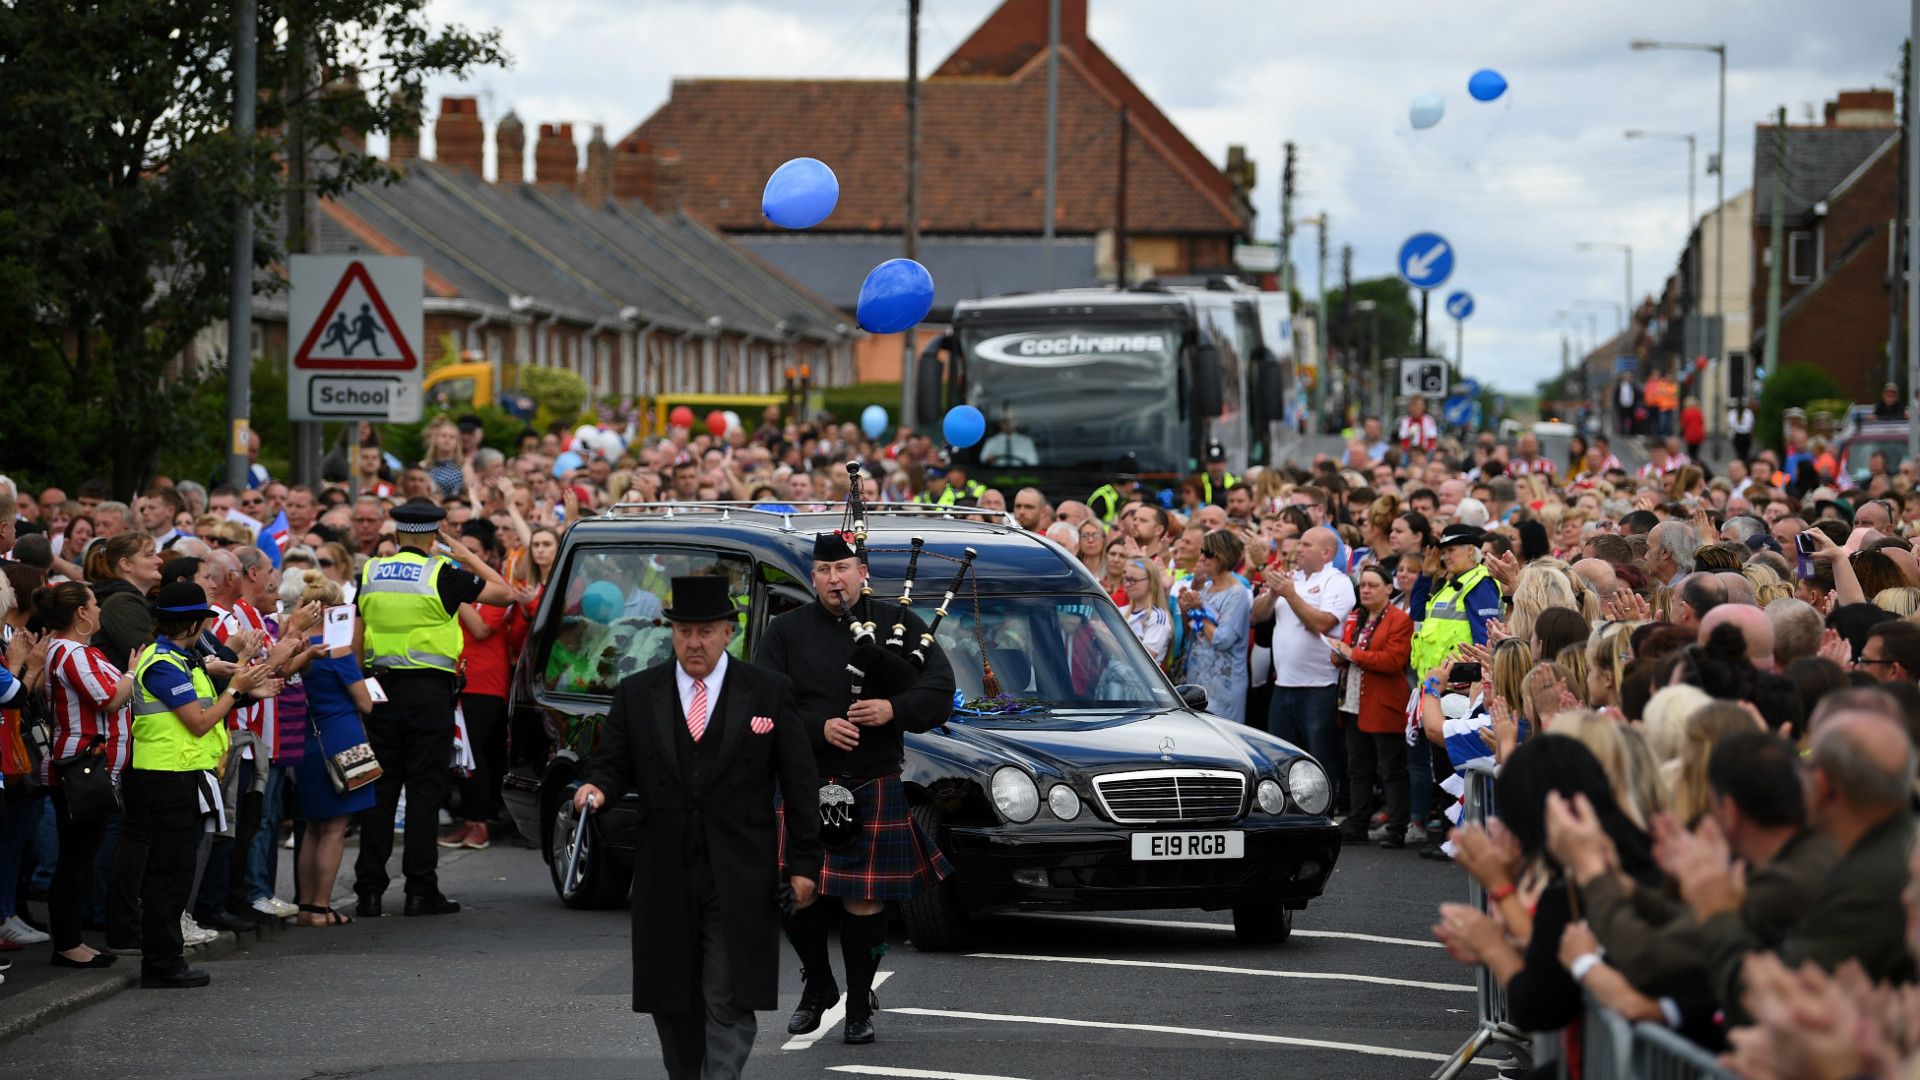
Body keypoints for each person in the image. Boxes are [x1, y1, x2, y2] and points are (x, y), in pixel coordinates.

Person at [574, 576, 822, 1080]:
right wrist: (595, 789)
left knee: (728, 995)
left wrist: (803, 865)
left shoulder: (768, 692)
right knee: (673, 999)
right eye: (684, 630)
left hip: (740, 874)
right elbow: (613, 766)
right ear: (671, 633)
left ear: (728, 632)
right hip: (664, 871)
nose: (693, 642)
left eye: (705, 630)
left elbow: (800, 786)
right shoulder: (638, 693)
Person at [756, 531, 957, 1046]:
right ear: (813, 577)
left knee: (864, 901)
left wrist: (894, 710)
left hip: (872, 779)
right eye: (823, 571)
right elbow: (761, 707)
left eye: (843, 568)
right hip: (804, 784)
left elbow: (939, 690)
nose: (833, 579)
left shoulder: (899, 625)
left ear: (862, 572)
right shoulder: (785, 632)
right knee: (798, 895)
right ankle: (819, 986)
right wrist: (816, 727)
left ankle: (860, 1004)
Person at [351, 501, 514, 918]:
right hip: (427, 693)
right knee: (425, 791)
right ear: (434, 534)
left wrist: (363, 687)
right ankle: (421, 890)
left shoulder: (370, 571)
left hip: (380, 689)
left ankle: (368, 891)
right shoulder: (442, 574)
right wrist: (465, 554)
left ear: (398, 530)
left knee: (380, 791)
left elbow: (357, 636)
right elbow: (504, 592)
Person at [124, 581, 280, 988]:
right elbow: (198, 721)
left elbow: (206, 705)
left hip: (179, 774)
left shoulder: (183, 658)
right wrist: (236, 689)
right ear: (193, 623)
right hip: (164, 777)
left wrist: (246, 693)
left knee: (175, 872)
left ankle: (166, 959)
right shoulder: (163, 663)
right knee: (168, 875)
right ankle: (162, 964)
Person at [37, 581, 136, 967]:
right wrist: (131, 672)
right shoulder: (71, 652)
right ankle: (67, 943)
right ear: (80, 612)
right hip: (80, 769)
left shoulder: (78, 651)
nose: (98, 610)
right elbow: (109, 699)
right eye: (94, 604)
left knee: (82, 856)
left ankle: (72, 939)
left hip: (93, 769)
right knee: (76, 858)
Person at [290, 572, 377, 926]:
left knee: (312, 825)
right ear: (330, 609)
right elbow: (365, 703)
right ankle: (322, 907)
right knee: (335, 828)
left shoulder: (294, 646)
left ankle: (307, 906)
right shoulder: (336, 649)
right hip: (343, 740)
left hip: (307, 740)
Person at [441, 520, 529, 851]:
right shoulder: (458, 581)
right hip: (457, 678)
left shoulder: (495, 588)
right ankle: (472, 819)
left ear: (489, 555)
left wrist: (452, 589)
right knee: (466, 755)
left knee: (474, 755)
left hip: (486, 683)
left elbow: (479, 629)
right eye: (460, 552)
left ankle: (479, 824)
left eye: (472, 553)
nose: (464, 558)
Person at [1256, 526, 1356, 782]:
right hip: (1283, 684)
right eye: (1299, 543)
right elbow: (1255, 617)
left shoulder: (1337, 581)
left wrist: (1289, 594)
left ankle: (1324, 816)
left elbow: (1322, 623)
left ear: (1326, 553)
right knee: (1279, 760)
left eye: (1306, 545)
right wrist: (1273, 596)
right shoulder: (1292, 578)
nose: (1298, 549)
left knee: (1319, 760)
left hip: (1319, 686)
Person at [1328, 564, 1414, 847]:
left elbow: (1393, 661)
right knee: (1358, 768)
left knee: (1391, 769)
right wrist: (1340, 655)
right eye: (1362, 584)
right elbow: (1348, 653)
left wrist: (1353, 654)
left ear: (1389, 589)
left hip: (1382, 703)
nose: (1365, 589)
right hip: (1353, 702)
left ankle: (1398, 828)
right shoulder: (1356, 617)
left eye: (1372, 585)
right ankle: (1358, 822)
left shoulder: (1400, 619)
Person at [1177, 530, 1253, 724]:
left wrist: (1199, 610)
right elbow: (1191, 634)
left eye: (1208, 554)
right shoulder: (1205, 588)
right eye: (1202, 552)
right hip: (1198, 678)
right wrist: (1185, 609)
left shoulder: (1238, 593)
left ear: (1223, 556)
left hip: (1224, 684)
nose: (1202, 558)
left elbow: (1222, 640)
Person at [1119, 558, 1171, 666]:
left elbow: (1145, 658)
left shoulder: (1157, 616)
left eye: (1133, 580)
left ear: (1151, 582)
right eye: (1125, 579)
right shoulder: (1120, 611)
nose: (1127, 585)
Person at [1086, 452, 1141, 525]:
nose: (1135, 486)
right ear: (1128, 483)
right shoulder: (1102, 498)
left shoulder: (1124, 497)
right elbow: (1091, 525)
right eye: (1134, 483)